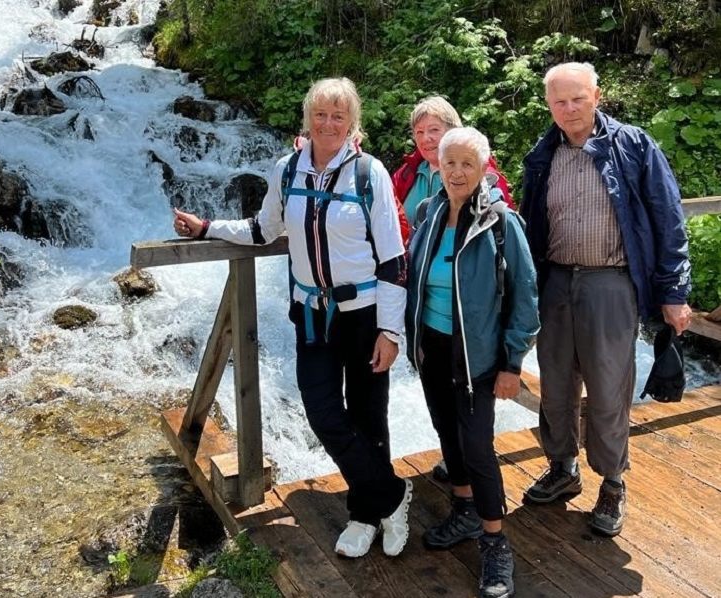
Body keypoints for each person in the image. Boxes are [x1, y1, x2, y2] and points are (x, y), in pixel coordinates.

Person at [173, 77, 413, 558]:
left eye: (338, 116)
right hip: (312, 315)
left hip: (363, 315)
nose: (328, 124)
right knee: (322, 411)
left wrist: (391, 331)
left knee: (368, 416)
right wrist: (207, 227)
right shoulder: (288, 170)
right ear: (308, 119)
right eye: (320, 115)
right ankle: (393, 495)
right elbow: (262, 230)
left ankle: (364, 515)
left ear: (352, 122)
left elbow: (392, 259)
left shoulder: (369, 173)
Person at [520, 62, 692, 537]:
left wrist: (674, 292)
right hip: (555, 280)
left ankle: (613, 481)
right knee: (555, 384)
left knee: (609, 387)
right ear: (549, 105)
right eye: (559, 101)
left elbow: (668, 219)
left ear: (597, 96)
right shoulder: (543, 153)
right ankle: (562, 467)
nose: (569, 108)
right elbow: (529, 224)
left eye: (578, 98)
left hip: (611, 282)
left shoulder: (634, 146)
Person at [406, 127, 539, 598]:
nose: (457, 172)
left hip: (478, 355)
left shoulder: (501, 223)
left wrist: (512, 364)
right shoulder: (428, 212)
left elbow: (526, 296)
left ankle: (495, 541)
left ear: (484, 167)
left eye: (467, 163)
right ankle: (463, 509)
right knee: (447, 432)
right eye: (450, 163)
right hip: (433, 348)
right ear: (438, 167)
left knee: (478, 446)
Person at [392, 95, 513, 228]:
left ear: (453, 131)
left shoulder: (483, 175)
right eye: (419, 132)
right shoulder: (405, 175)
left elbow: (503, 225)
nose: (426, 138)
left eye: (434, 130)